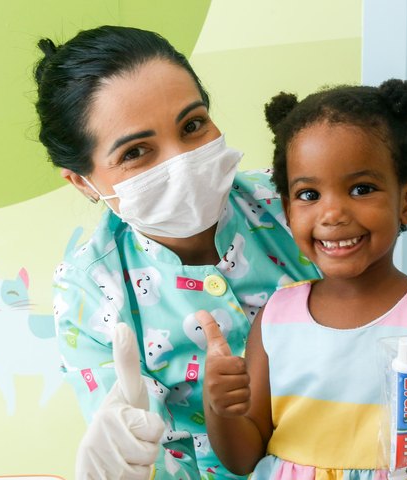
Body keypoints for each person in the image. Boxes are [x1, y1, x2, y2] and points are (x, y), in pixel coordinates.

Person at [33, 26, 321, 479]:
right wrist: (119, 452)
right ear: (82, 182)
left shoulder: (298, 202)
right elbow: (125, 434)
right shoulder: (89, 289)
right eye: (136, 152)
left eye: (192, 125)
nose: (180, 160)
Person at [199, 79, 407, 479]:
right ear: (289, 211)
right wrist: (220, 408)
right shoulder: (277, 317)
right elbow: (243, 458)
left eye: (361, 188)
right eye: (309, 195)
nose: (332, 213)